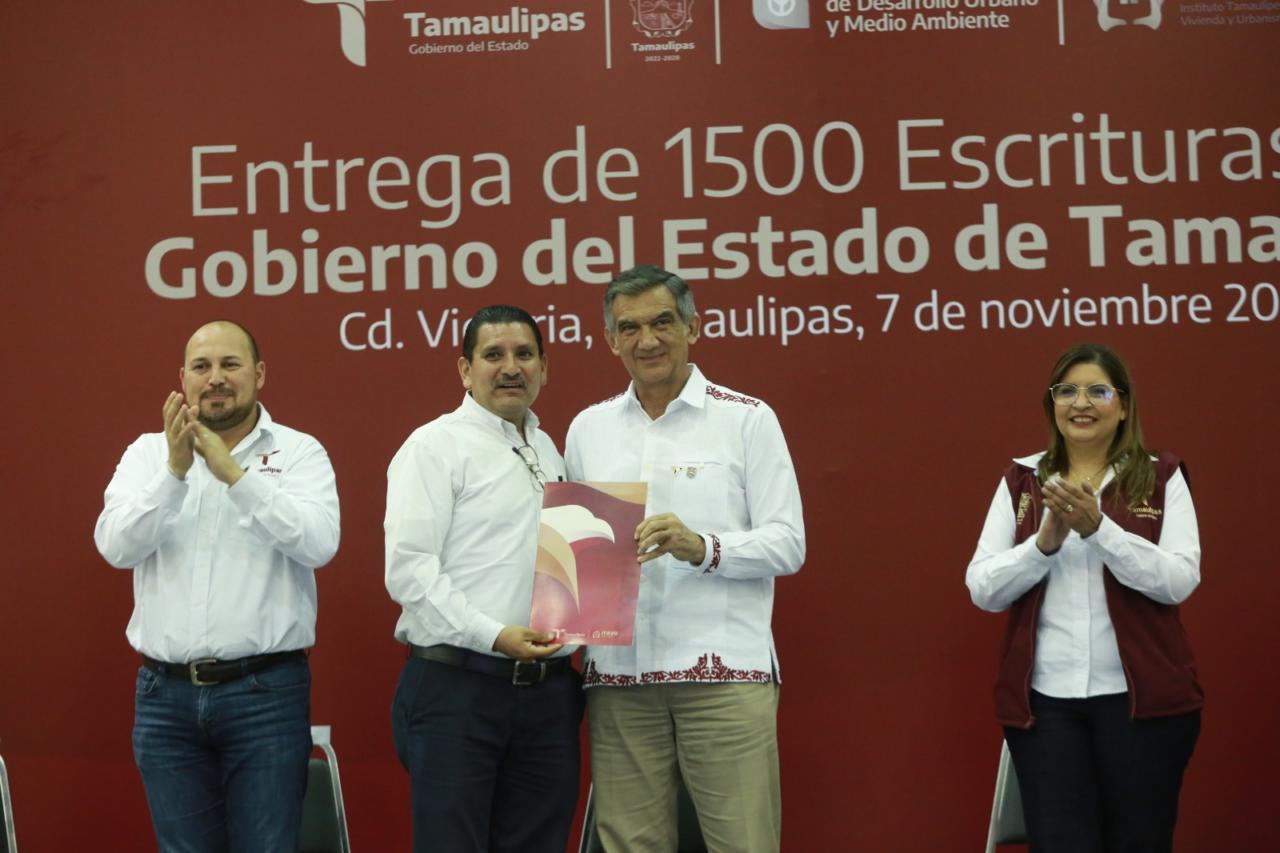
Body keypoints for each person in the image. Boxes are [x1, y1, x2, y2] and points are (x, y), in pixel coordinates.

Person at [565, 265, 806, 852]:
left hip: (722, 677)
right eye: (629, 328)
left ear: (693, 328)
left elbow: (788, 542)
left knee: (743, 843)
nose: (647, 340)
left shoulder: (746, 419)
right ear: (610, 340)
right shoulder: (587, 429)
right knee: (630, 845)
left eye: (662, 322)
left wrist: (705, 547)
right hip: (619, 679)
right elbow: (577, 558)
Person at [93, 320, 341, 853]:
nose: (216, 379)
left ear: (259, 373)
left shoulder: (299, 452)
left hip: (265, 693)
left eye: (230, 364)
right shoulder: (147, 454)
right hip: (165, 698)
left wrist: (235, 476)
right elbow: (115, 546)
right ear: (183, 378)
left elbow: (319, 544)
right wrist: (174, 473)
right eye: (201, 367)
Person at [966, 342, 1202, 853]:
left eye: (1098, 391)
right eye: (1067, 391)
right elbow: (983, 589)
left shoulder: (1161, 475)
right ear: (1052, 404)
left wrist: (1100, 530)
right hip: (1045, 707)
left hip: (1145, 706)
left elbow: (1178, 580)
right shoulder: (1022, 479)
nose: (1081, 404)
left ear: (1124, 405)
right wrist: (1043, 546)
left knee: (1139, 841)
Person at [385, 304, 583, 853]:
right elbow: (410, 571)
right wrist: (494, 635)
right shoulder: (433, 447)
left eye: (524, 354)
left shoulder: (549, 449)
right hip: (458, 690)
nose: (511, 367)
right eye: (493, 354)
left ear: (544, 367)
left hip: (547, 696)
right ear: (465, 370)